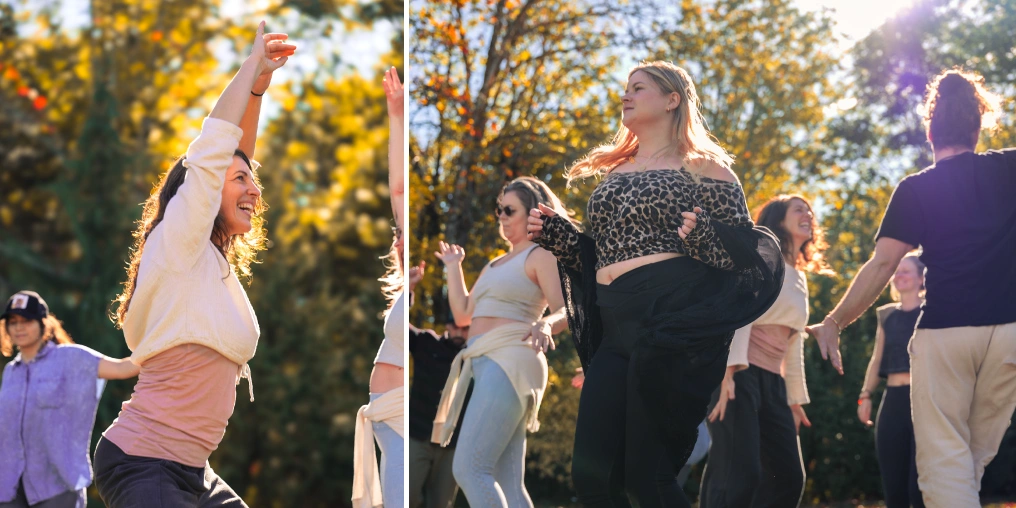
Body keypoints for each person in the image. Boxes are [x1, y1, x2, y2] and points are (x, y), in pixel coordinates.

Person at [527, 60, 784, 508]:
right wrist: (564, 240)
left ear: (672, 99)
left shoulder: (706, 168)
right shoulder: (614, 174)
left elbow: (746, 260)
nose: (626, 95)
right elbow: (599, 258)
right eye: (626, 88)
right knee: (592, 478)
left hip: (667, 324)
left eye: (638, 88)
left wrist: (705, 238)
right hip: (613, 326)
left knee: (647, 478)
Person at [92, 22, 294, 507]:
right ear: (199, 193)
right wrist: (249, 69)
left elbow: (233, 158)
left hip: (192, 471)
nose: (254, 189)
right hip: (142, 461)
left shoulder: (209, 264)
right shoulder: (179, 243)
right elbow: (214, 155)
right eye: (240, 180)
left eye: (254, 180)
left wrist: (259, 91)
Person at [806, 68, 1014, 508]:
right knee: (972, 458)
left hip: (946, 334)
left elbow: (882, 264)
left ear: (930, 130)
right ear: (978, 125)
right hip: (1010, 336)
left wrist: (833, 321)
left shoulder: (916, 189)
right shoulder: (1010, 167)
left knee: (945, 463)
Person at [431, 176, 570, 508]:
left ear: (532, 213)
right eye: (499, 210)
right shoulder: (494, 264)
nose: (502, 217)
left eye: (510, 210)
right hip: (482, 362)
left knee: (468, 468)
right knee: (507, 481)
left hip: (511, 359)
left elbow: (567, 309)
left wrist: (547, 324)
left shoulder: (540, 255)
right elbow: (463, 315)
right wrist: (453, 268)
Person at [700, 195, 834, 507]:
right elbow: (739, 312)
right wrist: (728, 372)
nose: (808, 214)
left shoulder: (799, 276)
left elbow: (794, 338)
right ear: (778, 220)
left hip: (773, 384)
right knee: (738, 473)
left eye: (810, 210)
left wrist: (795, 399)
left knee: (787, 477)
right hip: (738, 376)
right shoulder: (760, 258)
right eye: (798, 209)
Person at [0, 291, 139, 508]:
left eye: (26, 321)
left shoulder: (70, 358)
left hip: (58, 486)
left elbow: (124, 368)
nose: (19, 327)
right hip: (10, 488)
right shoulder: (10, 371)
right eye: (13, 322)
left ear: (44, 324)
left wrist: (165, 342)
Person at [352, 66, 406, 508]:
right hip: (386, 420)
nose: (398, 238)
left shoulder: (420, 288)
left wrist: (398, 119)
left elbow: (399, 188)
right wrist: (395, 115)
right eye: (397, 236)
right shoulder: (402, 291)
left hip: (402, 416)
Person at [857, 254, 926, 508]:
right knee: (893, 486)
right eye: (896, 271)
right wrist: (865, 395)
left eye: (907, 271)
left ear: (921, 279)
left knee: (918, 487)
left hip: (924, 401)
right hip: (892, 401)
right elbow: (877, 359)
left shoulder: (933, 311)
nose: (900, 275)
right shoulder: (886, 315)